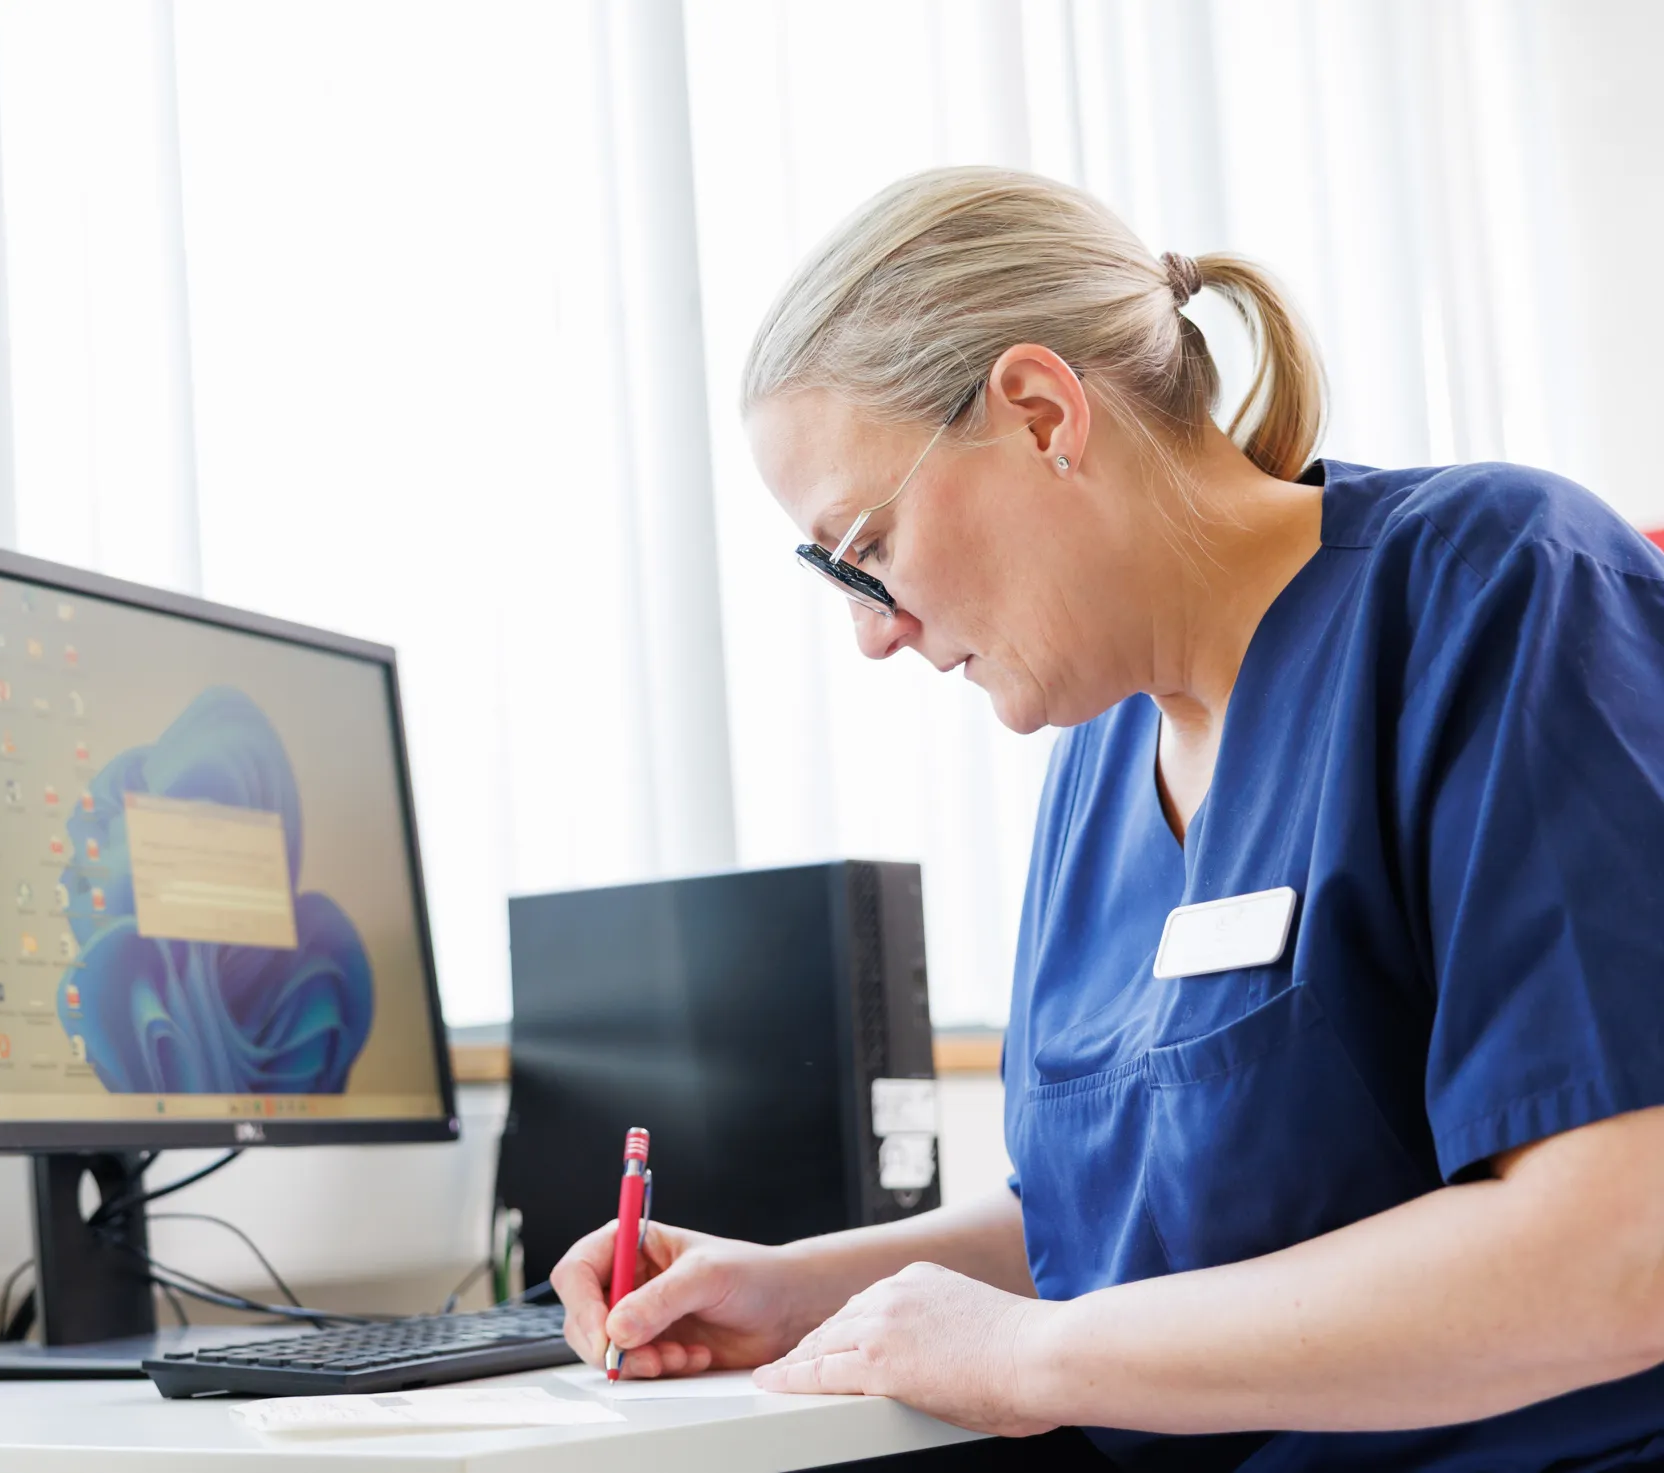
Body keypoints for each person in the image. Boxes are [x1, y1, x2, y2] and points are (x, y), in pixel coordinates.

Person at [551, 167, 1664, 1471]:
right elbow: (1119, 1226)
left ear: (1039, 412)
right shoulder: (1100, 750)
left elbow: (1621, 1242)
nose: (871, 633)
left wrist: (1032, 1358)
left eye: (866, 545)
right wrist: (799, 1289)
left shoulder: (1497, 588)